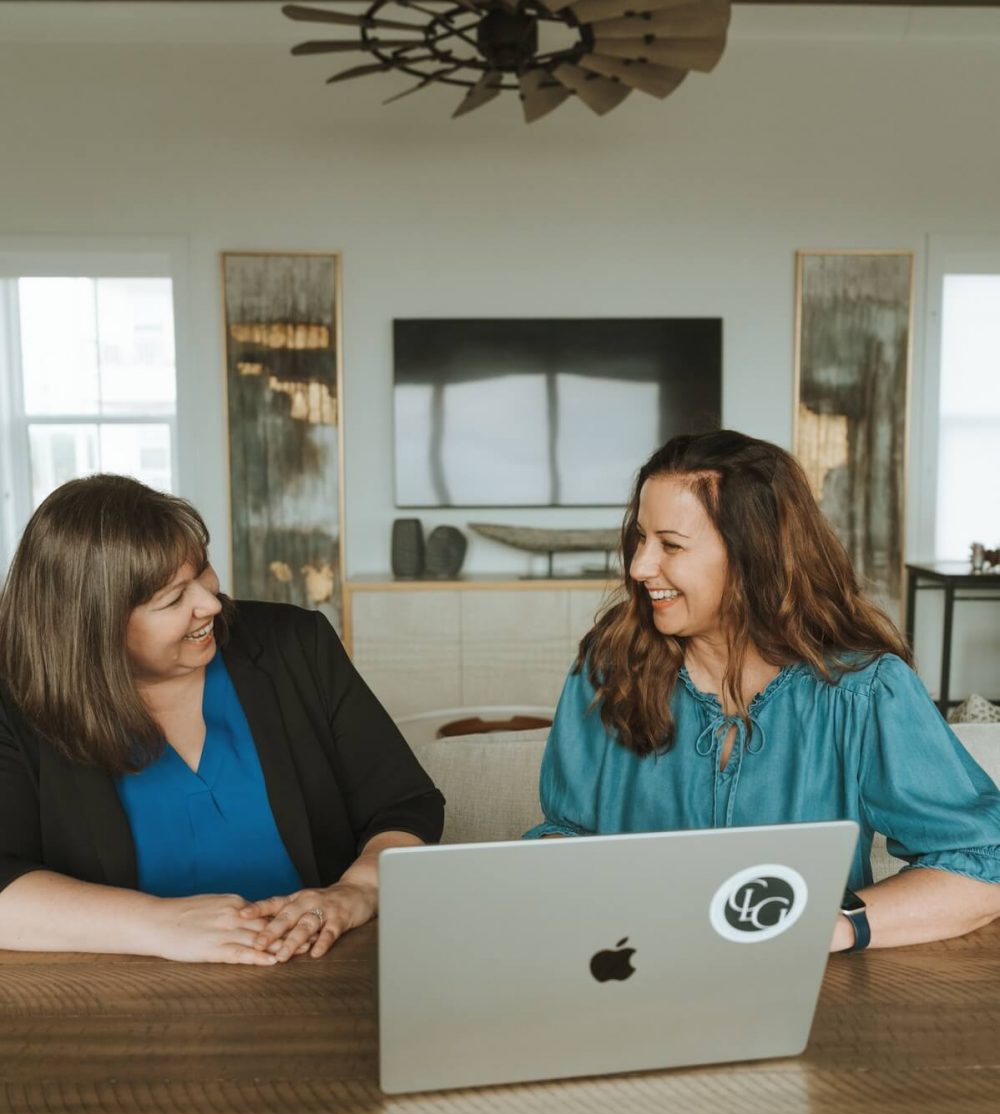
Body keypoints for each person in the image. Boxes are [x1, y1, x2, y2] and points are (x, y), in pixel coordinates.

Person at [526, 430, 1000, 950]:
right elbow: (567, 832)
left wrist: (834, 925)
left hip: (815, 996)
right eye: (641, 538)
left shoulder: (864, 692)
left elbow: (982, 863)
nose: (639, 566)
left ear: (755, 555)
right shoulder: (608, 669)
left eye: (671, 544)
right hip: (631, 974)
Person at [0, 475, 443, 965]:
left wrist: (359, 889)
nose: (210, 603)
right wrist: (159, 925)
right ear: (91, 629)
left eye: (203, 572)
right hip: (116, 993)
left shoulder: (295, 645)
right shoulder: (16, 702)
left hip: (323, 968)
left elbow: (405, 804)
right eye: (172, 599)